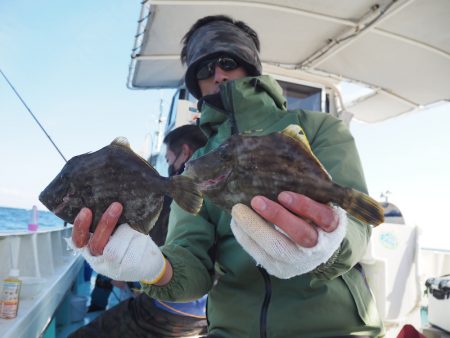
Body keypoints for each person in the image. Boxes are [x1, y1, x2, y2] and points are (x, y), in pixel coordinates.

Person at [71, 15, 383, 337]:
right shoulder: (199, 166)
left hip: (338, 327)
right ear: (196, 84)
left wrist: (328, 243)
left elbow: (358, 227)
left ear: (249, 64)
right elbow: (190, 259)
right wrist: (151, 267)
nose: (219, 75)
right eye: (204, 70)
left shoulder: (318, 127)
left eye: (227, 61)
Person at [69, 125, 208, 338]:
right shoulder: (216, 192)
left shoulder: (178, 201)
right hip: (207, 315)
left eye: (169, 160)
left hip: (167, 310)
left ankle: (96, 306)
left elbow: (164, 257)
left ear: (186, 152)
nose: (169, 167)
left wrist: (137, 271)